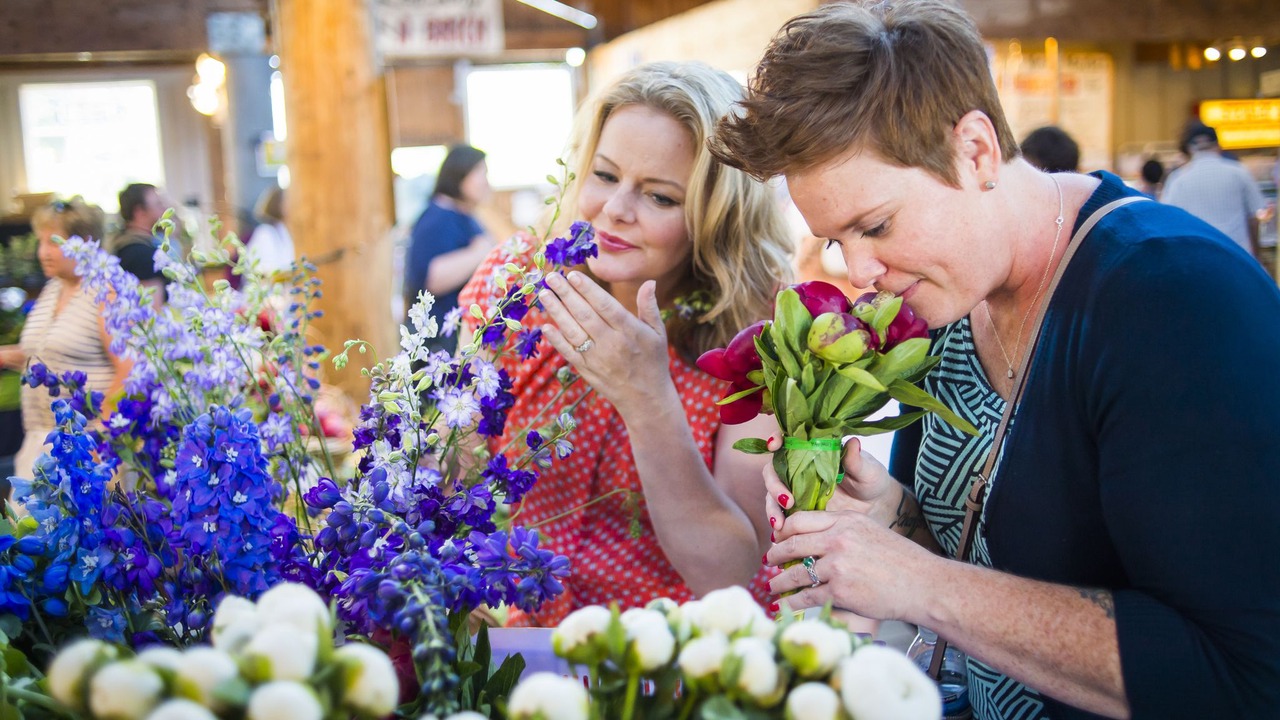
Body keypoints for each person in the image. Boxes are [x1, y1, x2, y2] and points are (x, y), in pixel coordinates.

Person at [711, 2, 1280, 719]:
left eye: (875, 226)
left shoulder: (1175, 298)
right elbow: (989, 562)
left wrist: (922, 584)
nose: (859, 270)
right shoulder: (948, 304)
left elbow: (1244, 670)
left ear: (976, 151)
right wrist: (892, 518)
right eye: (834, 241)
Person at [458, 61, 794, 626]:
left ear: (715, 216)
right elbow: (457, 469)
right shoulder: (518, 282)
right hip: (522, 639)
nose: (615, 210)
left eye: (659, 197)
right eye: (605, 175)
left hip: (670, 646)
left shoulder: (757, 334)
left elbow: (729, 570)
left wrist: (647, 400)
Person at [0, 198, 130, 480]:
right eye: (41, 242)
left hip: (87, 447)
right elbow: (42, 353)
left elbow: (128, 369)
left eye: (53, 243)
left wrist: (101, 439)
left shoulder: (104, 292)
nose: (43, 252)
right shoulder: (52, 289)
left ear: (83, 243)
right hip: (41, 441)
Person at [405, 145, 494, 353]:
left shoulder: (464, 215)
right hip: (438, 344)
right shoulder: (437, 218)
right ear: (460, 174)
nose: (486, 182)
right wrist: (478, 253)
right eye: (481, 173)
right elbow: (431, 278)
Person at [1161, 123, 1267, 259]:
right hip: (1238, 255)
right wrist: (1257, 255)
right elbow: (1254, 218)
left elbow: (1170, 224)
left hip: (1199, 258)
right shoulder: (1239, 172)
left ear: (1188, 149)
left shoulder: (1177, 180)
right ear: (1218, 146)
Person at [109, 182, 169, 302]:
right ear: (139, 212)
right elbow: (153, 305)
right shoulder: (141, 255)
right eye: (158, 204)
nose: (164, 209)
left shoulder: (122, 244)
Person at [242, 184, 294, 274]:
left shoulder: (284, 231)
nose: (292, 205)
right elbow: (265, 269)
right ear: (277, 204)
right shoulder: (265, 232)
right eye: (288, 200)